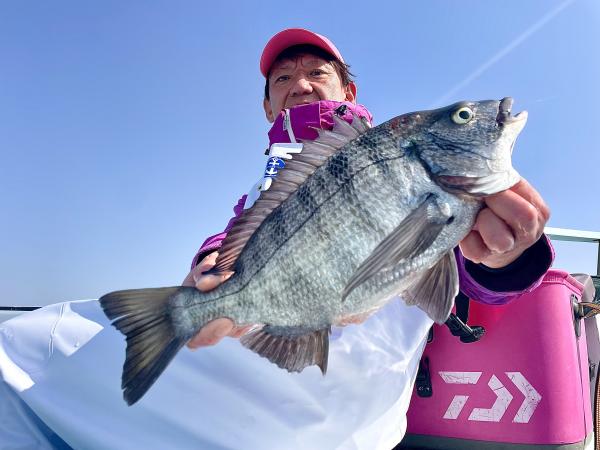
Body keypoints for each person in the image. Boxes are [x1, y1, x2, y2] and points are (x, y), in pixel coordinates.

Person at [0, 28, 552, 450]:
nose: (300, 85)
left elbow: (481, 278)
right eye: (282, 79)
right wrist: (209, 268)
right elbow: (233, 237)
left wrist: (510, 255)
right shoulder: (263, 188)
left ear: (348, 89)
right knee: (20, 347)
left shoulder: (401, 161)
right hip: (253, 372)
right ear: (268, 105)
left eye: (316, 72)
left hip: (360, 394)